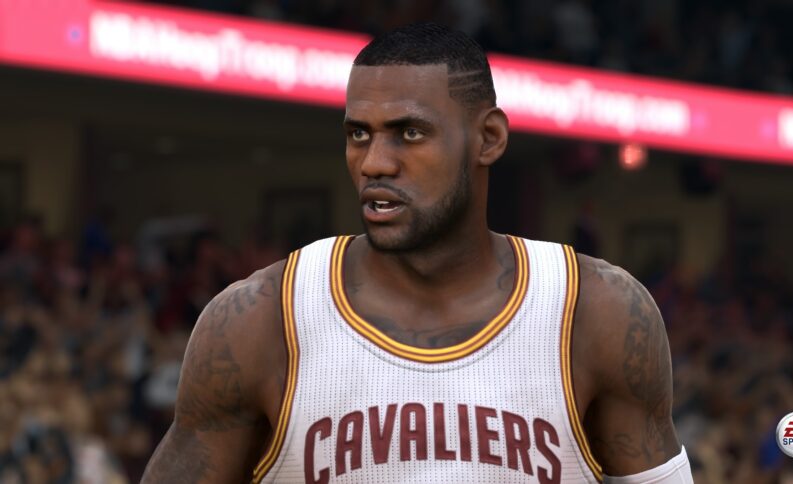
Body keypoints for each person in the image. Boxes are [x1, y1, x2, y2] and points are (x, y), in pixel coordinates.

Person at [142, 23, 693, 483]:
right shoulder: (260, 320)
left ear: (489, 138)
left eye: (408, 133)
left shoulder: (596, 311)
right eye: (359, 134)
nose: (375, 163)